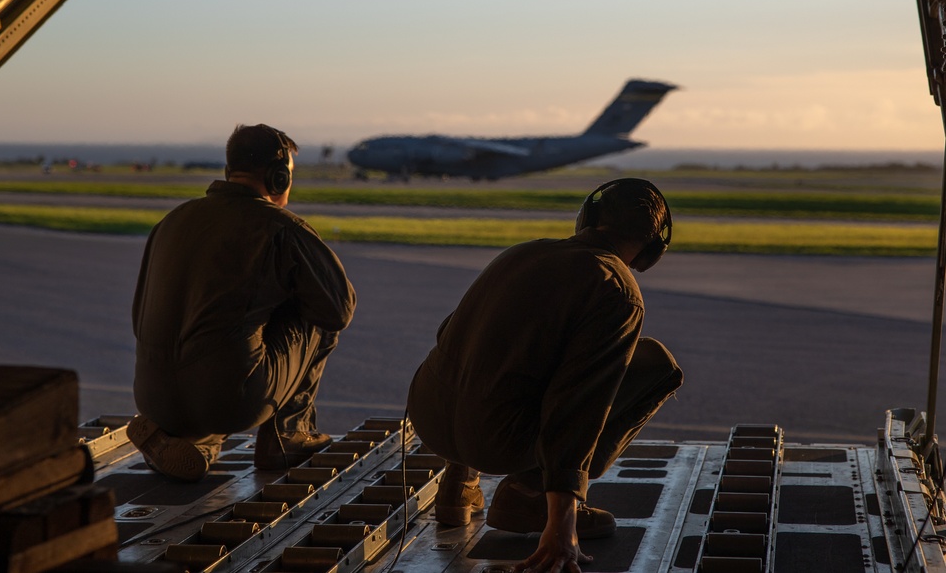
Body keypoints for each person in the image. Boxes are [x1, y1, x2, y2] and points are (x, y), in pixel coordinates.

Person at [407, 178, 683, 573]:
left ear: (586, 218)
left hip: (430, 418)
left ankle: (458, 484)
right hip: (492, 440)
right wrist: (562, 522)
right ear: (654, 247)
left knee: (512, 352)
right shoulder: (617, 290)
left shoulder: (523, 253)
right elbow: (580, 404)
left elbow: (453, 333)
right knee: (656, 364)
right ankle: (529, 493)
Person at [127, 124, 356, 482]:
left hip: (151, 396)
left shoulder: (171, 221)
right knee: (317, 313)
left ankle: (193, 440)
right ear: (279, 178)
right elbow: (339, 309)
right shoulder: (279, 226)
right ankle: (287, 435)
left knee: (218, 340)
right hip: (231, 400)